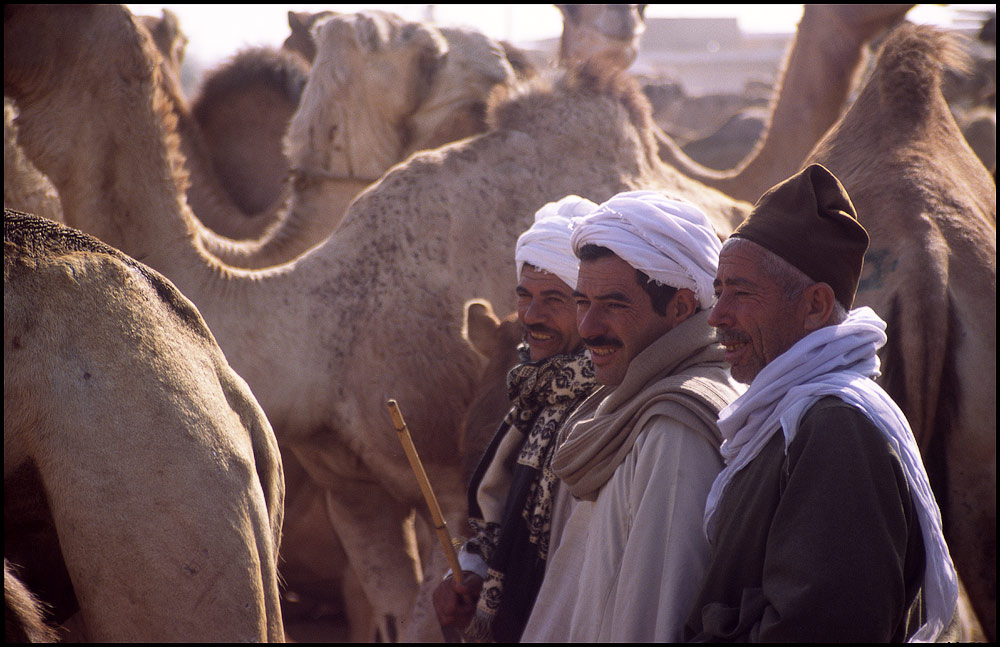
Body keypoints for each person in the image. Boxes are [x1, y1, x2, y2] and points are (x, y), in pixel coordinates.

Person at [684, 164, 958, 642]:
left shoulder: (837, 429)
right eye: (718, 291)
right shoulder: (793, 416)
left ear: (813, 305)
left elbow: (821, 627)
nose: (718, 316)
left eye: (741, 293)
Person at [520, 190, 744, 642]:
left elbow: (655, 617)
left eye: (614, 305)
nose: (587, 328)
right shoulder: (623, 405)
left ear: (680, 307)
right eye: (582, 302)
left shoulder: (674, 430)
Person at [433, 195, 599, 642]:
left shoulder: (614, 407)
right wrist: (469, 575)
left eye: (553, 300)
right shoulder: (533, 392)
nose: (530, 316)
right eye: (524, 296)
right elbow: (502, 521)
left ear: (589, 305)